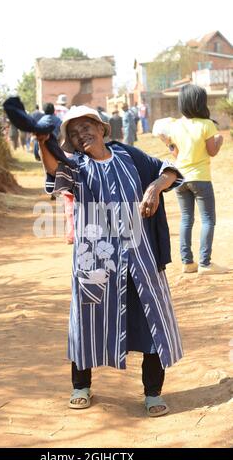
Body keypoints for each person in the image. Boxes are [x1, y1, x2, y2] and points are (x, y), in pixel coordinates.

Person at [37, 105, 184, 417]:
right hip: (95, 260)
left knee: (151, 321)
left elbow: (169, 170)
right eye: (74, 134)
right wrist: (41, 141)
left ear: (102, 128)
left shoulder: (130, 156)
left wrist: (155, 188)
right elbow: (52, 171)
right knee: (87, 322)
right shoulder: (74, 165)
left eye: (87, 127)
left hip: (141, 257)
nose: (81, 135)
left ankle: (153, 393)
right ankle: (81, 387)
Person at [160, 84, 226, 275]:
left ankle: (187, 262)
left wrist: (169, 144)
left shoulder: (175, 125)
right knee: (207, 220)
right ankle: (205, 263)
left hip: (180, 179)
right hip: (201, 178)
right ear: (200, 103)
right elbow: (212, 152)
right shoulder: (207, 125)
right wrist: (220, 140)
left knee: (186, 219)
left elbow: (176, 154)